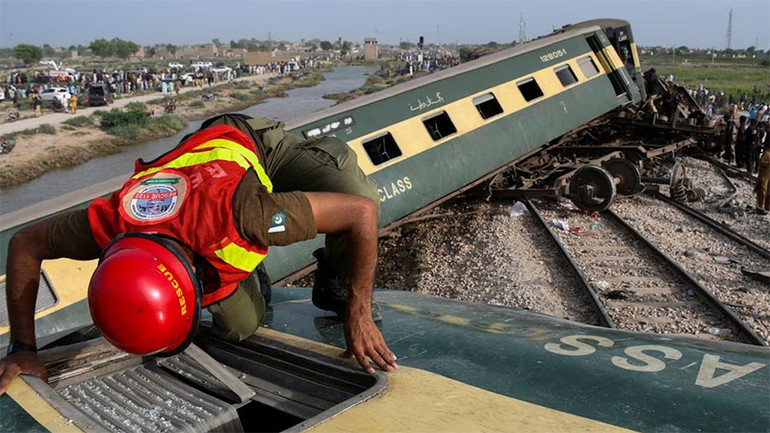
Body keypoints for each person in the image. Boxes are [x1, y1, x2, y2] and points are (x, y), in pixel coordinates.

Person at [0, 114, 397, 395]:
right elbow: (24, 244)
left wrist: (358, 311)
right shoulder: (110, 220)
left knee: (356, 191)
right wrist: (23, 350)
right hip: (194, 184)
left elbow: (361, 214)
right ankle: (247, 275)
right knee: (241, 327)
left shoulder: (245, 216)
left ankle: (336, 286)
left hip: (247, 144)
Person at [757, 146, 770, 215]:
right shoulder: (767, 153)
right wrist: (767, 163)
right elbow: (761, 162)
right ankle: (759, 208)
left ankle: (767, 207)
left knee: (769, 192)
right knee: (762, 191)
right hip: (764, 176)